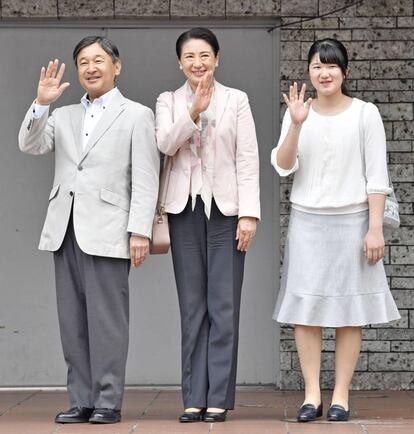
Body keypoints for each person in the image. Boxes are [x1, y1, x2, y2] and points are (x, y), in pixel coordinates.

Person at [18, 36, 159, 424]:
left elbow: (146, 178)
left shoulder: (136, 114)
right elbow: (29, 145)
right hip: (64, 228)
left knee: (107, 323)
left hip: (110, 229)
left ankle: (108, 401)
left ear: (117, 66)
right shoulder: (61, 115)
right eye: (83, 62)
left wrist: (140, 231)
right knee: (72, 322)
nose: (91, 68)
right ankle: (81, 399)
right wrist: (42, 103)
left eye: (99, 60)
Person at [271, 38, 400, 423]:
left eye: (331, 66)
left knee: (349, 311)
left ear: (345, 72)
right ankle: (311, 394)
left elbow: (377, 177)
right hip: (307, 221)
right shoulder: (298, 112)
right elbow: (283, 165)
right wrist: (295, 124)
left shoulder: (365, 113)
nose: (324, 72)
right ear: (309, 72)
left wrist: (375, 229)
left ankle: (341, 395)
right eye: (316, 66)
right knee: (305, 310)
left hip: (354, 221)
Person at [155, 27, 260, 423]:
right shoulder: (168, 100)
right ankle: (193, 397)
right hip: (184, 212)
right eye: (189, 57)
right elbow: (166, 143)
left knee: (224, 304)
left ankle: (217, 396)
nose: (197, 63)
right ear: (180, 62)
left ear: (217, 58)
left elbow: (247, 158)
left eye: (204, 55)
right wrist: (193, 110)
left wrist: (249, 213)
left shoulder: (237, 99)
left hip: (227, 212)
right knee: (192, 307)